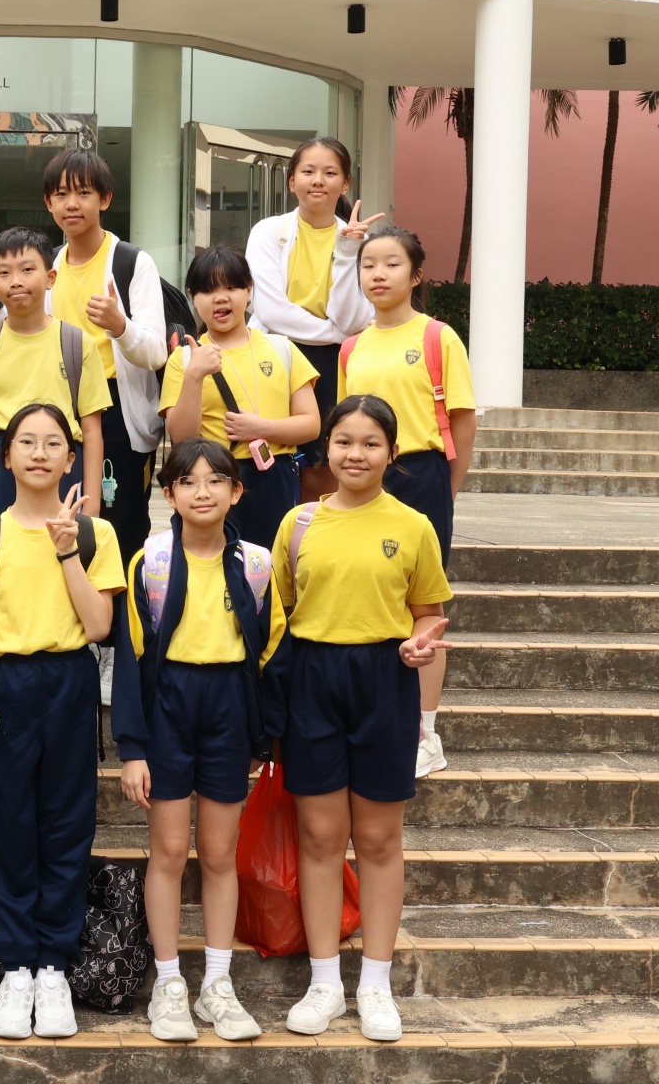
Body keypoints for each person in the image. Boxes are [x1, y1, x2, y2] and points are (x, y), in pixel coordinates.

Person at [273, 395, 452, 1045]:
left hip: (385, 682)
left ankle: (375, 985)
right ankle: (324, 983)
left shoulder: (413, 526)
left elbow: (429, 614)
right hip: (312, 681)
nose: (356, 454)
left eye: (371, 443)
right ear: (326, 448)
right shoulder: (298, 523)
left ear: (392, 453)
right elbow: (281, 610)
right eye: (344, 441)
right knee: (321, 837)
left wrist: (419, 648)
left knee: (378, 839)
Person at [0, 402, 125, 1042]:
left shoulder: (96, 534)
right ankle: (16, 965)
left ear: (72, 459)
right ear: (7, 455)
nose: (40, 453)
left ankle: (54, 965)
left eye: (54, 443)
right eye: (27, 441)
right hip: (4, 688)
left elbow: (99, 626)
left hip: (69, 682)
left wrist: (67, 550)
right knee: (8, 824)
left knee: (67, 824)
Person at [113, 438, 288, 1044]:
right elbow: (132, 657)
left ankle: (217, 983)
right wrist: (132, 748)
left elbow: (271, 652)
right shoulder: (152, 562)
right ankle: (168, 985)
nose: (203, 492)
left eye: (216, 480)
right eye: (188, 481)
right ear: (169, 494)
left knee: (218, 853)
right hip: (168, 706)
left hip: (228, 709)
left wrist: (264, 737)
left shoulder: (256, 565)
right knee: (167, 851)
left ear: (237, 491)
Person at [337, 227, 476, 778]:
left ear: (416, 275)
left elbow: (462, 422)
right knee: (366, 594)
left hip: (421, 474)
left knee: (424, 609)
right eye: (368, 263)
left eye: (392, 263)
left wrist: (446, 489)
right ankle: (378, 718)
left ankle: (425, 734)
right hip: (362, 479)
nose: (378, 273)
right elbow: (346, 427)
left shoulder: (439, 338)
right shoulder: (352, 347)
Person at [43, 150, 168, 563]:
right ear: (48, 203)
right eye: (61, 194)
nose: (72, 204)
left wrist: (120, 326)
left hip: (118, 413)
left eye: (84, 193)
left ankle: (124, 605)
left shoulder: (132, 263)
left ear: (105, 199)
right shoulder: (47, 267)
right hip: (60, 408)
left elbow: (155, 352)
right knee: (59, 520)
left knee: (121, 528)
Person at [0, 227, 111, 535]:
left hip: (60, 460)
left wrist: (92, 506)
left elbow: (92, 430)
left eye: (27, 269)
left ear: (50, 278)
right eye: (4, 272)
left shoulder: (77, 344)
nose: (16, 281)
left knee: (60, 553)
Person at [244, 138, 383, 499]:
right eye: (308, 171)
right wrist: (335, 332)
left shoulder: (360, 241)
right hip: (277, 357)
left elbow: (352, 318)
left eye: (330, 173)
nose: (318, 180)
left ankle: (315, 533)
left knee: (324, 467)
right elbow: (271, 311)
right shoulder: (268, 232)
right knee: (272, 459)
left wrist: (349, 249)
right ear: (292, 181)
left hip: (334, 364)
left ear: (345, 183)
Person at [162, 245, 322, 550]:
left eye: (232, 287)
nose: (221, 298)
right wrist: (195, 375)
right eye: (208, 290)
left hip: (274, 476)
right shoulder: (183, 359)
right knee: (213, 564)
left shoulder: (281, 348)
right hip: (210, 480)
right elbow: (181, 437)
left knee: (271, 566)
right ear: (192, 296)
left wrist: (261, 428)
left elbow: (311, 424)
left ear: (249, 290)